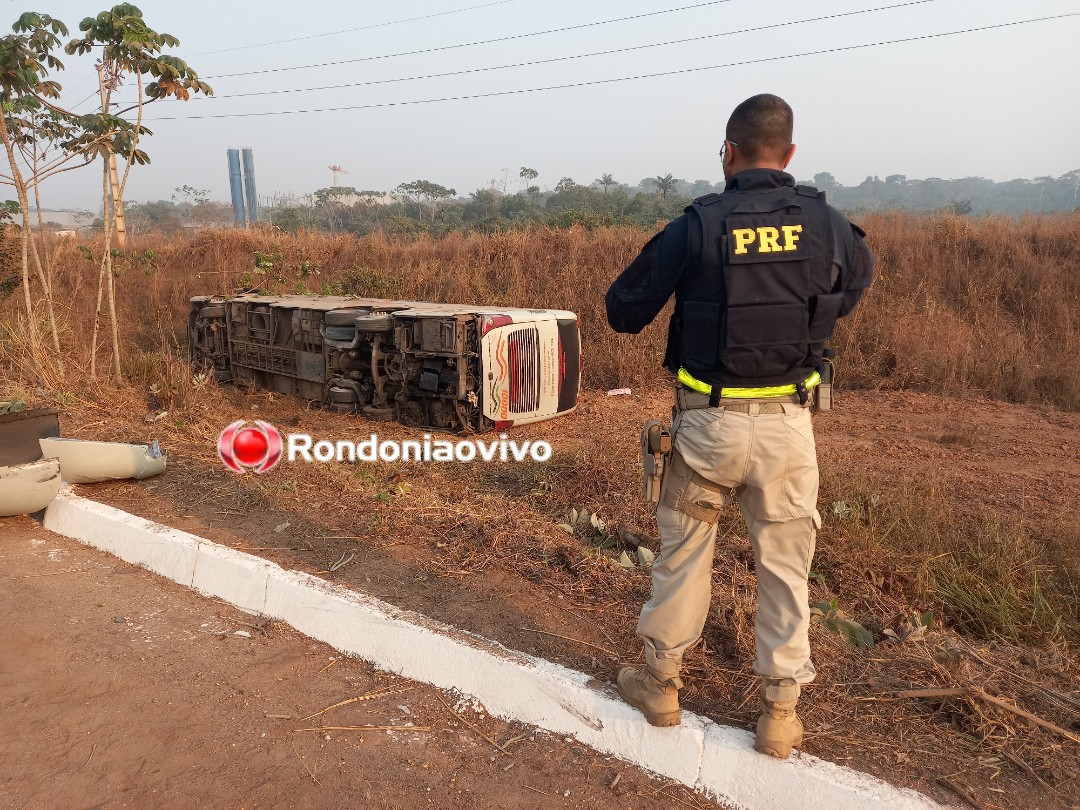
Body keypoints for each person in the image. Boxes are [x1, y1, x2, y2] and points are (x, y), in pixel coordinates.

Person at [605, 94, 874, 759]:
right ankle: (781, 715)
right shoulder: (828, 224)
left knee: (684, 559)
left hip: (706, 429)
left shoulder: (698, 224)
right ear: (788, 156)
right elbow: (856, 283)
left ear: (729, 152)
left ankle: (660, 685)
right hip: (788, 426)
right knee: (786, 570)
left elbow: (622, 310)